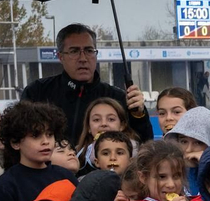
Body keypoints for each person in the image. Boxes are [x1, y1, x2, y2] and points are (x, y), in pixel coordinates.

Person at [22, 23, 154, 145]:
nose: (83, 58)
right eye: (74, 51)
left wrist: (139, 116)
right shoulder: (37, 92)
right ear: (60, 56)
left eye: (89, 50)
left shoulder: (118, 98)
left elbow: (144, 144)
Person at [166, 107, 210, 197]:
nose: (188, 149)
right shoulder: (169, 170)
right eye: (184, 142)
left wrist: (207, 165)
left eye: (198, 142)